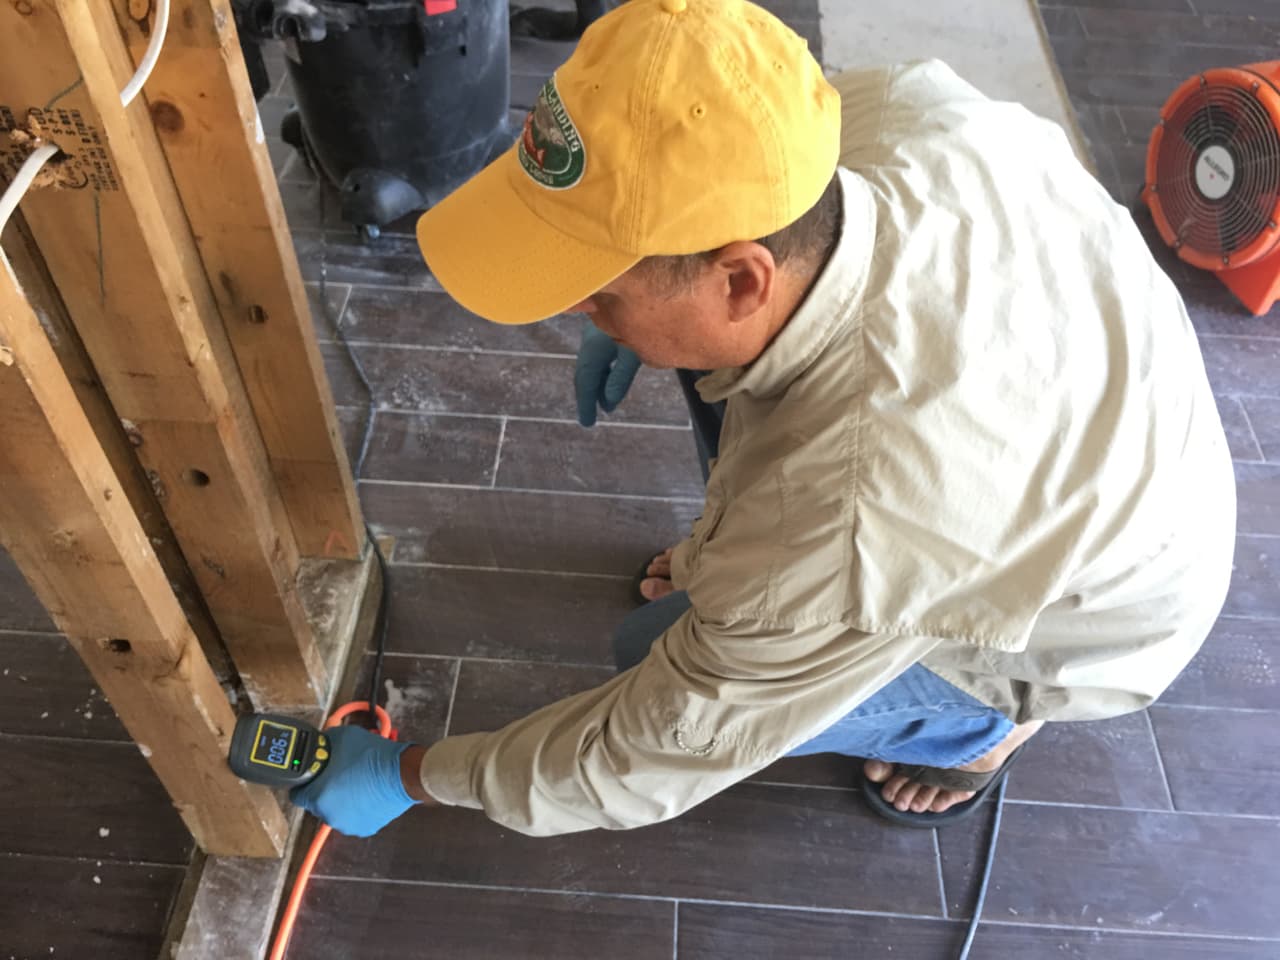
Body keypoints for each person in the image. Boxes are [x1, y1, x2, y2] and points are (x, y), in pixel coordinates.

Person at [293, 0, 1236, 837]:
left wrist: (414, 778)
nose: (569, 307)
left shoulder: (859, 516)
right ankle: (746, 563)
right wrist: (630, 309)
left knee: (650, 654)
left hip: (1093, 615)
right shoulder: (886, 111)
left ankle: (983, 733)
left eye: (592, 293)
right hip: (1088, 428)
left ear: (743, 277)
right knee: (730, 502)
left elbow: (649, 752)